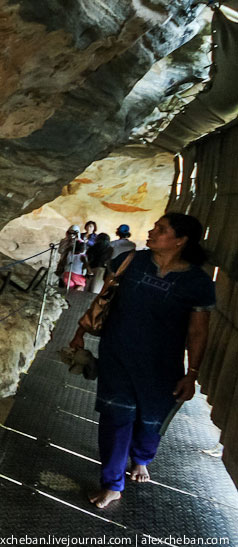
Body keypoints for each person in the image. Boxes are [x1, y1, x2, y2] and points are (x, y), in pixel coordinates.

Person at [68, 213, 216, 509]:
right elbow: (105, 297)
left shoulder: (197, 281)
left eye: (161, 229)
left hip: (161, 366)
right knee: (116, 418)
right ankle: (112, 484)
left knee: (150, 421)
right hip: (118, 354)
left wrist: (193, 373)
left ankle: (142, 459)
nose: (151, 231)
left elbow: (198, 331)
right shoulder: (134, 260)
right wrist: (80, 331)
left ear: (180, 240)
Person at [56, 225, 87, 289]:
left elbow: (82, 253)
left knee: (76, 284)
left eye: (74, 233)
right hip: (64, 262)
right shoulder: (64, 240)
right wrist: (67, 242)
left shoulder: (80, 242)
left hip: (76, 266)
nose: (71, 235)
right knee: (63, 281)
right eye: (70, 232)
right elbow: (60, 250)